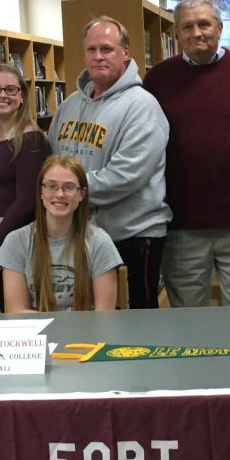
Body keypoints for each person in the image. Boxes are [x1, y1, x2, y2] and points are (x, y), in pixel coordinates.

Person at [143, 0, 230, 308]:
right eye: (187, 26)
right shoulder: (157, 79)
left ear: (220, 27)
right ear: (176, 34)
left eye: (204, 24)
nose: (197, 32)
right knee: (188, 315)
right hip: (181, 221)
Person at [49, 16, 171, 309]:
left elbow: (127, 175)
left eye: (107, 48)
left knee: (137, 319)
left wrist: (66, 193)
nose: (98, 56)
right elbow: (53, 157)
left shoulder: (142, 106)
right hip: (80, 232)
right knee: (91, 314)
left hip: (133, 234)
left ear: (125, 52)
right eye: (91, 50)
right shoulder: (68, 106)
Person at [0, 64, 50, 311]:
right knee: (8, 318)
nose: (2, 95)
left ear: (22, 96)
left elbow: (27, 201)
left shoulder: (31, 139)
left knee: (27, 320)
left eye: (10, 89)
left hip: (22, 244)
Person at [0, 155, 121, 312]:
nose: (60, 194)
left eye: (69, 187)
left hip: (87, 334)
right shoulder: (16, 241)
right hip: (39, 334)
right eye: (51, 186)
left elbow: (104, 315)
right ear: (41, 191)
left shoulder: (99, 241)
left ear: (82, 194)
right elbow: (16, 312)